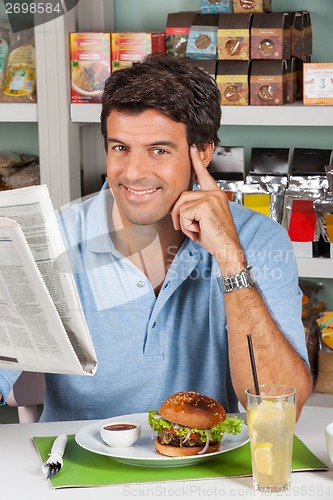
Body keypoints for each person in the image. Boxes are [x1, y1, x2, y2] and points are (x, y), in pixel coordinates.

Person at [0, 55, 312, 422]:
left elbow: (278, 407)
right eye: (120, 148)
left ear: (203, 152)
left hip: (205, 468)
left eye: (159, 151)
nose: (133, 173)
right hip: (76, 470)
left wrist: (229, 255)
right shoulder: (52, 238)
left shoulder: (258, 239)